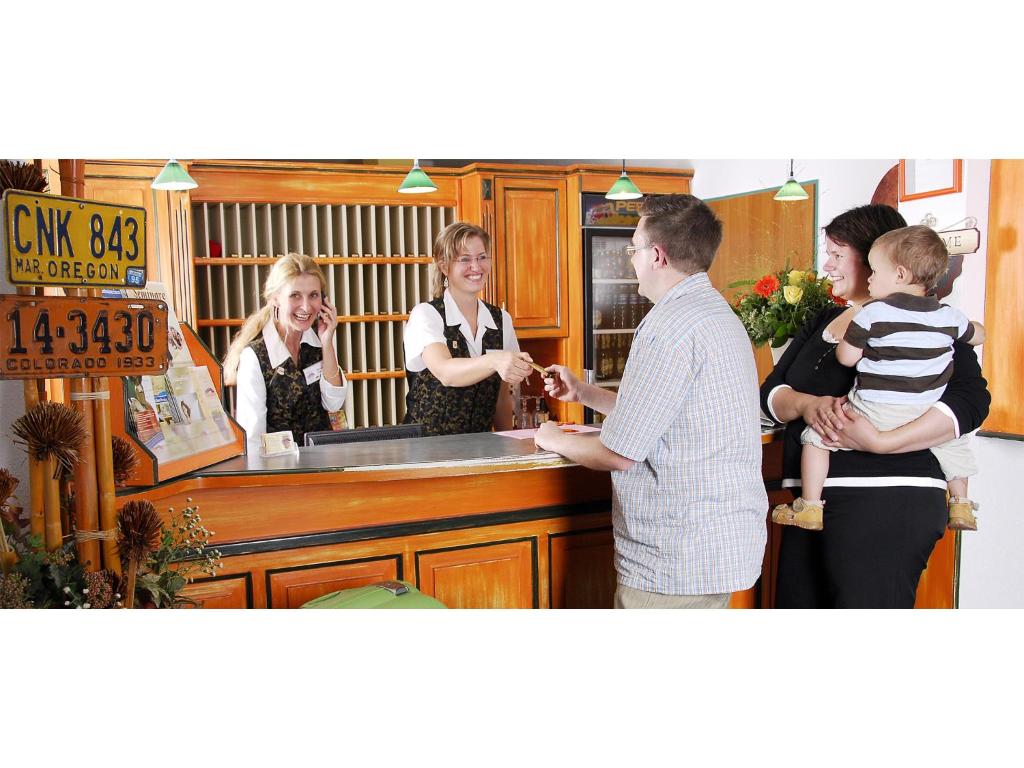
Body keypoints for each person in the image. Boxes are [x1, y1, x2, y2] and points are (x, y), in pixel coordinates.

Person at [536, 194, 768, 609]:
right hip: (718, 546)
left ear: (657, 255)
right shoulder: (716, 313)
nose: (631, 260)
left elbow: (618, 452)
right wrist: (584, 393)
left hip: (673, 556)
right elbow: (663, 416)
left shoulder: (667, 326)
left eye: (633, 249)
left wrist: (552, 437)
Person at [761, 205, 991, 608]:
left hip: (886, 500)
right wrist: (807, 404)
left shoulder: (931, 322)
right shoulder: (825, 318)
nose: (827, 265)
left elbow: (971, 400)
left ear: (877, 259)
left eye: (837, 253)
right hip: (809, 503)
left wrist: (886, 441)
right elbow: (770, 392)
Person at [403, 222, 534, 436]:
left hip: (480, 448)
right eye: (465, 259)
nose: (476, 266)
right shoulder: (426, 315)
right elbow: (445, 371)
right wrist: (495, 360)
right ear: (444, 267)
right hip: (427, 451)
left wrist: (509, 444)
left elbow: (501, 398)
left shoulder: (501, 320)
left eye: (482, 257)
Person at [223, 253, 346, 451]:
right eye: (295, 295)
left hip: (323, 465)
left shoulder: (317, 342)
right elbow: (252, 439)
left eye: (313, 295)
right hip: (281, 471)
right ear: (275, 299)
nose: (306, 306)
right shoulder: (255, 356)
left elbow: (334, 403)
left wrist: (327, 342)